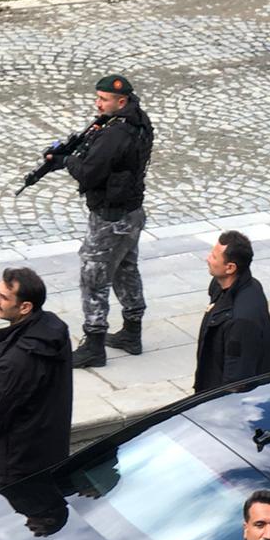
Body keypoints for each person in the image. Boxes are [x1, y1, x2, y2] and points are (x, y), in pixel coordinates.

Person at [66, 74, 156, 369]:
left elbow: (89, 172)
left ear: (122, 101)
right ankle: (132, 332)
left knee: (94, 275)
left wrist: (67, 160)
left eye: (103, 100)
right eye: (98, 98)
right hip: (131, 213)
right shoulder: (138, 121)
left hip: (110, 217)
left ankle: (94, 343)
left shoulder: (115, 133)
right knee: (126, 269)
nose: (98, 104)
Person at [0, 267, 73, 487]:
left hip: (18, 458)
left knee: (23, 511)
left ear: (25, 307)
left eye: (3, 297)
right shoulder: (54, 329)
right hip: (49, 444)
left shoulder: (13, 362)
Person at [193, 231, 270, 394]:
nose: (207, 259)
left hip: (220, 403)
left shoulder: (240, 320)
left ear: (230, 267)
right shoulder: (228, 286)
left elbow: (236, 380)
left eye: (213, 256)